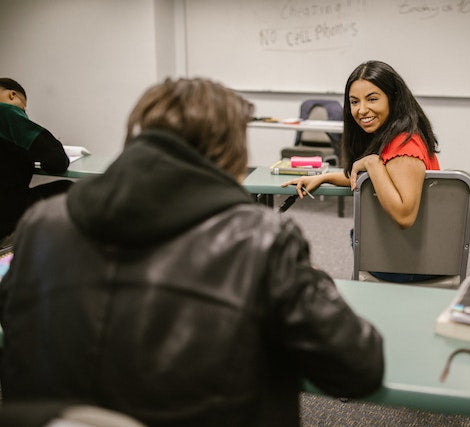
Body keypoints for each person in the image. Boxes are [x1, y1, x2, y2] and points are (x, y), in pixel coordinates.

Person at [0, 78, 384, 426]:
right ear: (230, 150)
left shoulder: (42, 223)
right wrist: (310, 279)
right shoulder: (262, 238)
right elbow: (357, 367)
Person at [282, 60, 441, 282]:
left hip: (403, 262)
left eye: (372, 98)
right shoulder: (395, 137)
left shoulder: (405, 146)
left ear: (393, 99)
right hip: (406, 254)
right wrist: (325, 177)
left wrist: (372, 163)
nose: (362, 110)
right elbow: (384, 180)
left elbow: (404, 216)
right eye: (354, 102)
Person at [0, 78, 72, 240]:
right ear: (12, 96)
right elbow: (58, 160)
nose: (22, 115)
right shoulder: (5, 112)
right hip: (6, 215)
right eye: (22, 110)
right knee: (68, 189)